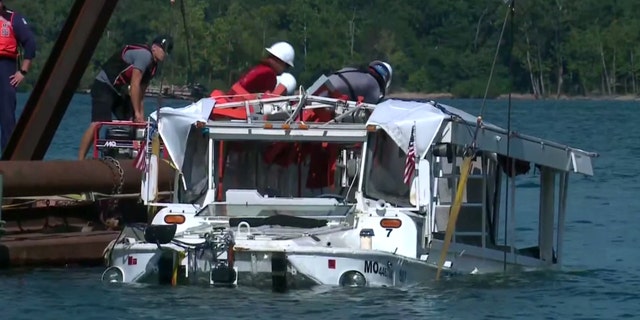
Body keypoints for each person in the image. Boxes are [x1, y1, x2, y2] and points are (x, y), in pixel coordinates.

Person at [77, 35, 172, 160]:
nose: (164, 53)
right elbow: (134, 85)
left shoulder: (153, 68)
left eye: (167, 51)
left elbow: (140, 95)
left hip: (117, 91)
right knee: (98, 122)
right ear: (154, 47)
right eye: (162, 49)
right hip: (104, 85)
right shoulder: (144, 56)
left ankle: (134, 158)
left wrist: (140, 117)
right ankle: (80, 159)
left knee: (134, 121)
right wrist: (137, 112)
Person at [209, 41, 295, 119]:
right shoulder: (269, 75)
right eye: (286, 66)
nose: (284, 70)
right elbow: (265, 102)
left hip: (235, 104)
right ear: (279, 61)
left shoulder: (261, 69)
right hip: (242, 110)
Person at [0, 1, 36, 152]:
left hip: (5, 67)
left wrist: (23, 71)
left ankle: (8, 160)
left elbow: (30, 43)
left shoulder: (13, 18)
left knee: (7, 116)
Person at [316, 60, 392, 104]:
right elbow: (369, 110)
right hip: (331, 93)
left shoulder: (355, 71)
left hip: (320, 83)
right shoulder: (374, 85)